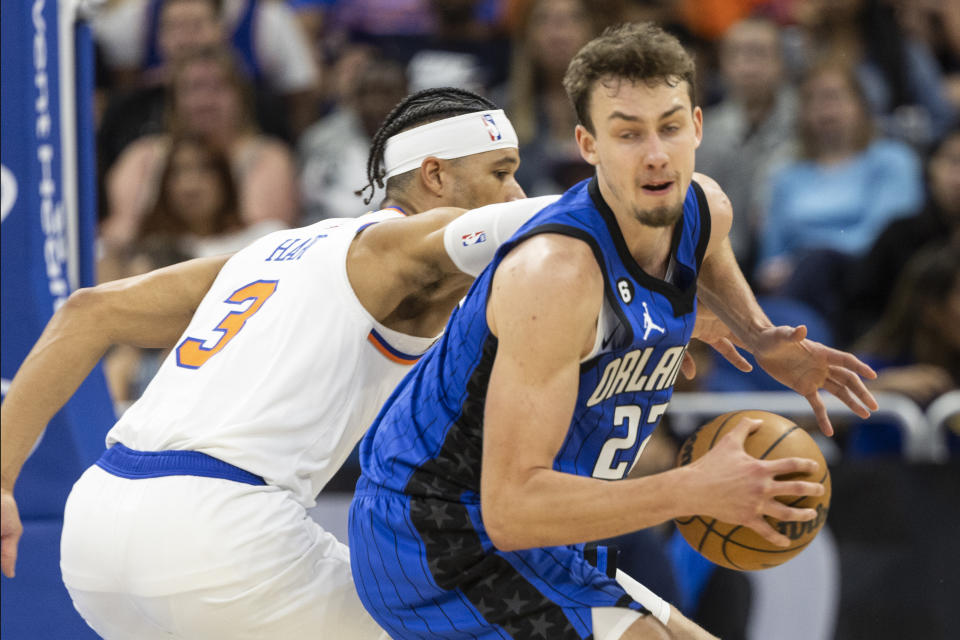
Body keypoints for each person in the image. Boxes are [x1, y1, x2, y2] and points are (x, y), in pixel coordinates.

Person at [348, 23, 878, 640]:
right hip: (435, 536)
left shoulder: (704, 207)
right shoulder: (554, 275)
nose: (656, 153)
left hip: (548, 530)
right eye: (628, 132)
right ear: (588, 144)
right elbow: (511, 508)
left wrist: (760, 337)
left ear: (699, 127)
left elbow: (706, 249)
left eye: (670, 127)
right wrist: (694, 490)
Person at [0, 87, 533, 639]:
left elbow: (88, 312)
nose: (515, 190)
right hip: (220, 532)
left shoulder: (269, 253)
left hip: (97, 527)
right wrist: (615, 193)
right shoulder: (395, 252)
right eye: (501, 171)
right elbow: (516, 225)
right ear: (435, 176)